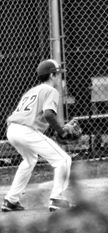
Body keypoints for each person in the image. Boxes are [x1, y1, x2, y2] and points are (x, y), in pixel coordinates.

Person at [1, 59, 73, 212]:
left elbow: (40, 117)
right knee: (63, 160)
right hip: (26, 131)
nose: (59, 77)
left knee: (29, 160)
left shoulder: (32, 91)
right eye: (57, 74)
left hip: (12, 130)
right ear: (52, 75)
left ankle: (11, 200)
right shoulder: (51, 91)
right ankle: (57, 199)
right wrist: (62, 131)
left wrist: (59, 129)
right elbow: (48, 114)